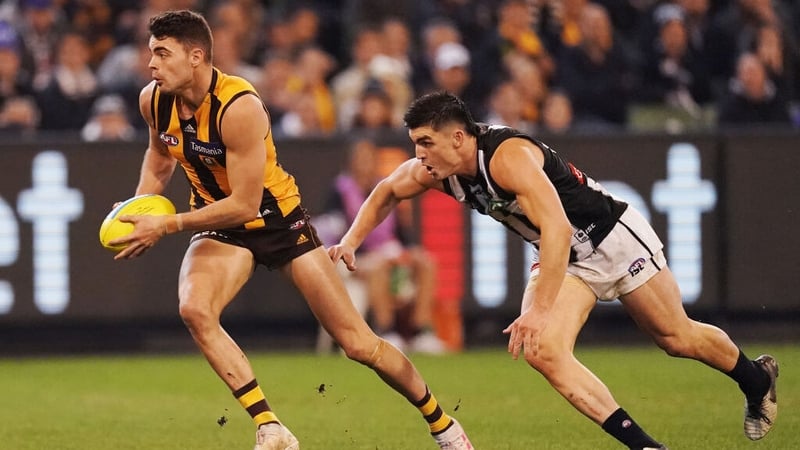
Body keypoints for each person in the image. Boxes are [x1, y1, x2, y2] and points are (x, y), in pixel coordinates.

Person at [327, 91, 780, 449]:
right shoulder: (437, 169)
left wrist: (540, 308)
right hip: (564, 257)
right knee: (543, 351)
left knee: (676, 338)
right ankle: (645, 447)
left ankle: (757, 378)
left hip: (609, 236)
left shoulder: (507, 156)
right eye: (415, 145)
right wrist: (351, 240)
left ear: (458, 138)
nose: (419, 154)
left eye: (425, 142)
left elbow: (559, 228)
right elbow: (387, 191)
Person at [107, 11, 472, 450]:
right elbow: (160, 158)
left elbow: (243, 203)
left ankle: (443, 424)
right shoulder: (155, 100)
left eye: (163, 53)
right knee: (195, 309)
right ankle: (270, 427)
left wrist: (165, 224)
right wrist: (138, 207)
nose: (152, 64)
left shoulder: (239, 107)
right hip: (220, 223)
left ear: (197, 56)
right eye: (152, 53)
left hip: (276, 220)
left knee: (358, 344)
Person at [314, 139, 446, 354]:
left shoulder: (385, 187)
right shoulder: (339, 191)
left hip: (391, 252)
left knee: (425, 262)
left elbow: (400, 231)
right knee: (378, 266)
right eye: (361, 159)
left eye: (369, 159)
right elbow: (332, 230)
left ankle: (421, 331)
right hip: (357, 258)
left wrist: (407, 249)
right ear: (350, 163)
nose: (366, 164)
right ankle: (387, 330)